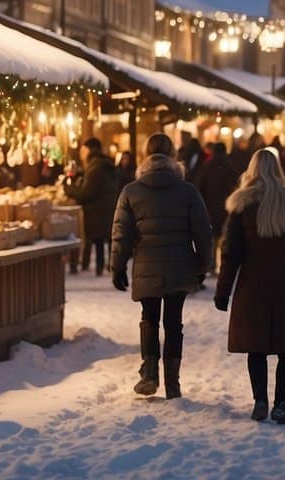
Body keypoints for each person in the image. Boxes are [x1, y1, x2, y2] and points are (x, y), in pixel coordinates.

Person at [214, 148, 285, 424]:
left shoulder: (242, 206)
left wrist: (223, 290)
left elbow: (231, 252)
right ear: (278, 170)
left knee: (256, 346)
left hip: (253, 285)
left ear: (251, 171)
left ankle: (260, 401)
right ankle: (283, 404)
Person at [110, 134, 213, 399]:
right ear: (173, 155)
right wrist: (202, 264)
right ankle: (173, 382)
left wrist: (118, 266)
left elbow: (122, 233)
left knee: (149, 317)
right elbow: (202, 231)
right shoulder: (188, 190)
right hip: (180, 265)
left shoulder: (131, 191)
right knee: (173, 322)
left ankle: (150, 372)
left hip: (147, 265)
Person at [65, 138, 119, 276]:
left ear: (89, 150)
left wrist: (70, 189)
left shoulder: (95, 168)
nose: (81, 153)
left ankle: (101, 269)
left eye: (83, 150)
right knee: (104, 240)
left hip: (97, 212)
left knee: (99, 241)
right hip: (107, 210)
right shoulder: (104, 165)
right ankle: (107, 267)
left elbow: (85, 193)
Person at [195, 142, 241, 277]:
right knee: (225, 238)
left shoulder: (207, 166)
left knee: (211, 238)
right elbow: (235, 186)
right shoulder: (229, 166)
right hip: (226, 207)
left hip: (209, 207)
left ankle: (211, 265)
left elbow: (199, 186)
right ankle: (223, 265)